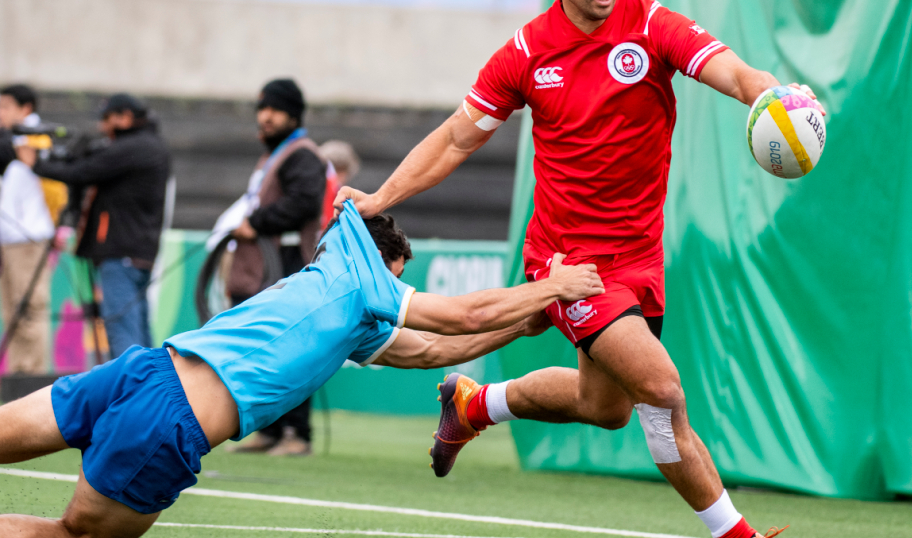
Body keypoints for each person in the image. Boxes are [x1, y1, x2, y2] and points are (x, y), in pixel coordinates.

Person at [333, 0, 824, 536]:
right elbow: (459, 136)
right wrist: (381, 196)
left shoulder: (651, 25)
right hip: (569, 265)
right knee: (662, 391)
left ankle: (474, 403)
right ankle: (736, 534)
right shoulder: (526, 53)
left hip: (640, 260)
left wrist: (774, 95)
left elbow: (735, 73)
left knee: (607, 408)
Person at [0, 200, 604, 537]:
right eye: (398, 282)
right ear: (384, 263)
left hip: (145, 371)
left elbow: (429, 351)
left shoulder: (333, 282)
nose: (395, 298)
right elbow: (458, 317)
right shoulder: (366, 277)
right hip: (170, 420)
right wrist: (554, 286)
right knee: (76, 536)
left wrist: (521, 324)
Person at [16, 93, 170, 361]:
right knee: (139, 331)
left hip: (120, 253)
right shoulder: (150, 145)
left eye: (107, 119)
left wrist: (37, 163)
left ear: (125, 118)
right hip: (135, 253)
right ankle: (148, 393)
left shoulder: (133, 147)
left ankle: (131, 394)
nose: (102, 127)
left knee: (123, 333)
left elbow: (83, 171)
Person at [227, 78, 327, 457]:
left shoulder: (301, 154)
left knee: (292, 350)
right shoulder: (275, 154)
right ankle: (269, 431)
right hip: (263, 265)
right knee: (263, 349)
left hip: (287, 263)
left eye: (274, 109)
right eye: (262, 109)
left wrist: (258, 221)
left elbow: (303, 203)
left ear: (293, 114)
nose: (265, 117)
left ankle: (297, 435)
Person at [0, 84, 60, 375]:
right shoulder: (12, 140)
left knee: (29, 310)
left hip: (29, 237)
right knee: (12, 311)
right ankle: (17, 376)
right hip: (10, 239)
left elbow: (56, 189)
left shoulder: (38, 141)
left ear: (25, 109)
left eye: (5, 107)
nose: (0, 114)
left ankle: (31, 377)